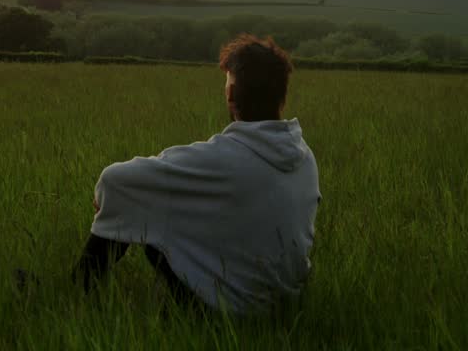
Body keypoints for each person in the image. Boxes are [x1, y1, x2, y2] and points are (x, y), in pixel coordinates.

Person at [72, 34, 320, 314]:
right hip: (287, 304)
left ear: (230, 94)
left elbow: (113, 180)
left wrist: (115, 200)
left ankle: (77, 291)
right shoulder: (304, 156)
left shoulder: (221, 158)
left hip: (231, 310)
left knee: (144, 201)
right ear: (281, 95)